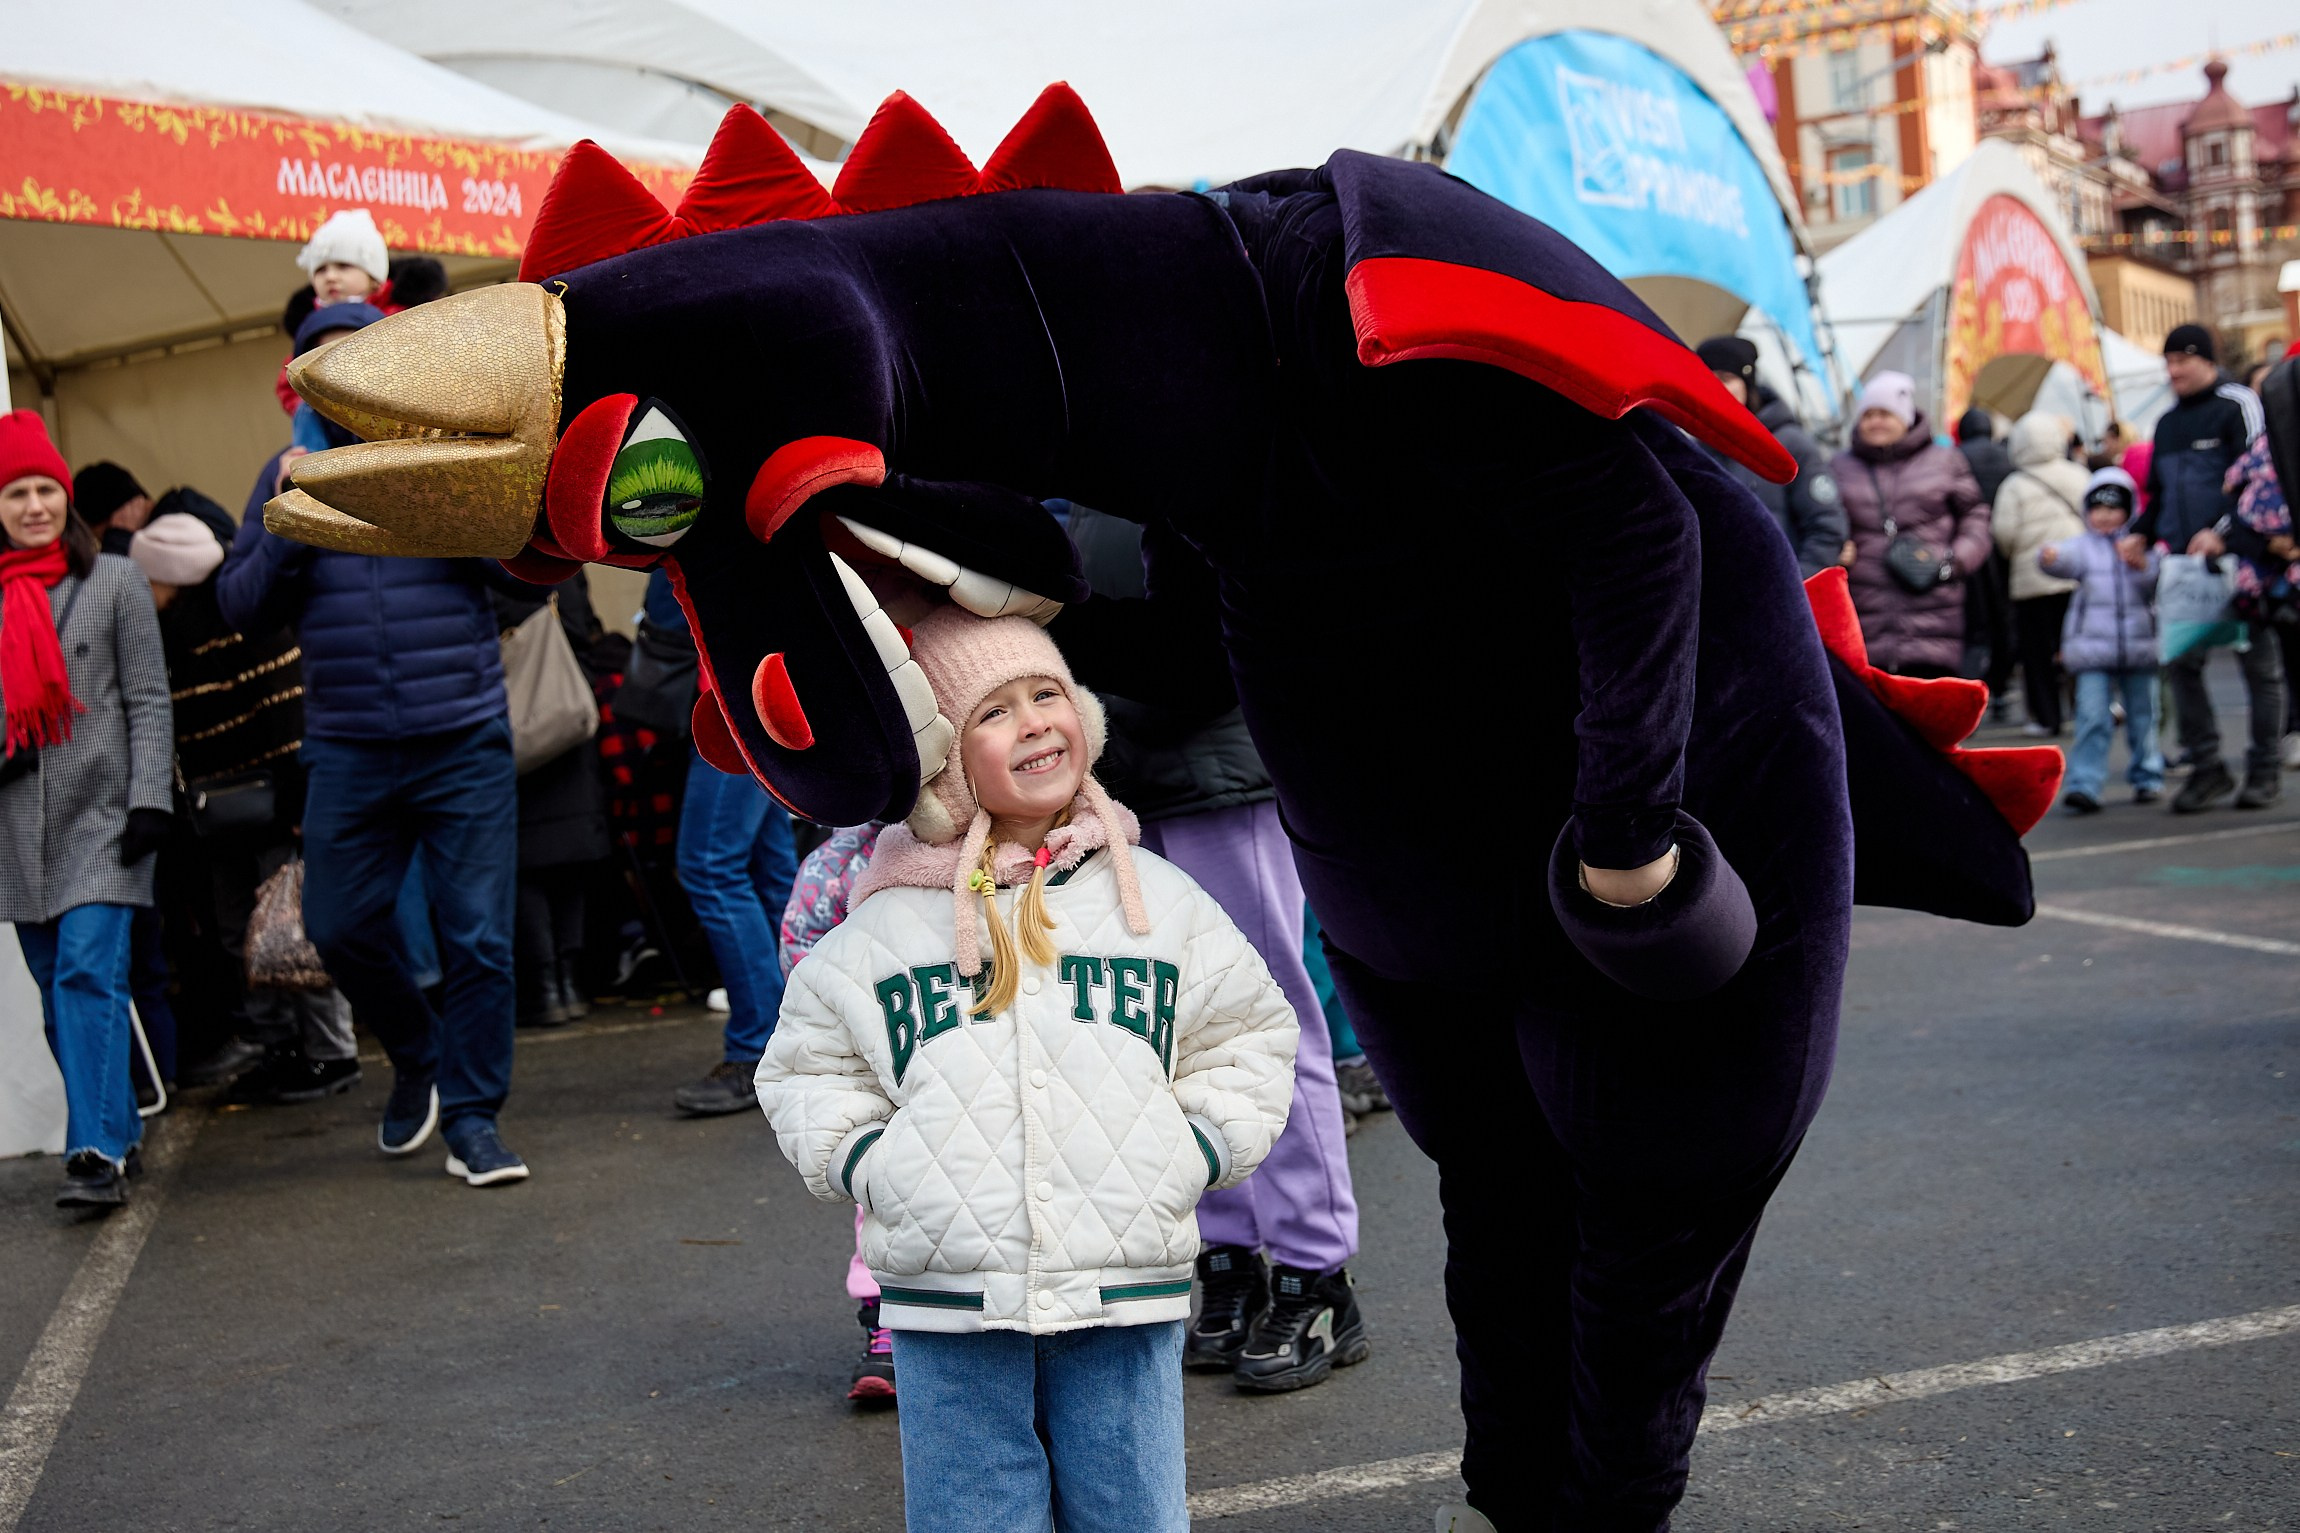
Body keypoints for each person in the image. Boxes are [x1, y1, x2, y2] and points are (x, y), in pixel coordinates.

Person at [756, 608, 1297, 1533]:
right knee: (974, 1516)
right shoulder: (886, 921)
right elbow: (806, 1063)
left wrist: (1192, 1147)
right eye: (995, 711)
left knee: (1132, 1512)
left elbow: (1248, 1034)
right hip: (947, 1294)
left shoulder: (1159, 901)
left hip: (1122, 1282)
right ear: (943, 756)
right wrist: (874, 1163)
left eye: (1049, 693)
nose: (1037, 720)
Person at [219, 302, 536, 1187]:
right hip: (349, 749)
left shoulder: (443, 452)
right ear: (303, 383)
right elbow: (241, 608)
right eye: (320, 365)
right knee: (337, 924)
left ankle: (473, 1121)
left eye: (355, 359)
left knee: (477, 939)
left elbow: (527, 578)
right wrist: (291, 509)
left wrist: (448, 504)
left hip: (463, 740)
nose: (341, 377)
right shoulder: (283, 475)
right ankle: (418, 1049)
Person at [1063, 500, 1366, 1391]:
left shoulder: (1182, 468)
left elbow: (1196, 656)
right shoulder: (1080, 487)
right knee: (1164, 1040)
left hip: (1219, 779)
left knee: (1266, 1029)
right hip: (1123, 792)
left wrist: (1051, 615)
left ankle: (1316, 1271)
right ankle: (1228, 1257)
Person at [126, 505, 359, 1102]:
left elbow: (287, 711)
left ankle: (332, 1056)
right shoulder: (172, 640)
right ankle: (280, 1047)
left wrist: (297, 803)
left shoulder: (244, 618)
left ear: (168, 578)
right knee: (244, 933)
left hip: (274, 803)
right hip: (221, 812)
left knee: (289, 929)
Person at [0, 411, 173, 1210]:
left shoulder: (114, 578)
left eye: (44, 490)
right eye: (15, 493)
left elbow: (146, 695)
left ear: (65, 500)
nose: (32, 505)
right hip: (15, 828)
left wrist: (149, 801)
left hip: (103, 817)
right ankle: (119, 1127)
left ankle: (96, 1150)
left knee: (86, 973)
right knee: (51, 986)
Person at [2124, 324, 2277, 811]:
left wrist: (2224, 532)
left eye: (2183, 360)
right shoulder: (2167, 424)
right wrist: (2141, 533)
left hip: (2243, 561)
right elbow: (2160, 494)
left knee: (2259, 666)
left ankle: (2264, 769)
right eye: (2168, 362)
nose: (2174, 371)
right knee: (2181, 662)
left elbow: (2259, 481)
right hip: (2185, 570)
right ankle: (2207, 767)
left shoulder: (2237, 405)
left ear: (2207, 360)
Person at [775, 820, 897, 1401]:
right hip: (875, 1055)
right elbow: (803, 954)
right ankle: (886, 1328)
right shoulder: (839, 863)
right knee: (882, 1188)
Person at [669, 568, 799, 1113]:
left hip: (740, 688)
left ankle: (757, 1048)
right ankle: (800, 1039)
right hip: (761, 681)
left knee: (709, 865)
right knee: (770, 871)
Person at [492, 575, 611, 1026]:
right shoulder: (561, 560)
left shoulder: (482, 556)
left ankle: (543, 986)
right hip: (569, 720)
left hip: (517, 731)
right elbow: (585, 635)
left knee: (527, 864)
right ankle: (570, 981)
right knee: (569, 864)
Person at [1833, 372, 1992, 677]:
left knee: (1930, 711)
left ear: (1905, 417)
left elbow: (1976, 517)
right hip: (1864, 615)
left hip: (1934, 613)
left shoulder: (1945, 460)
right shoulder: (1840, 466)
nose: (1876, 422)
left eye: (1885, 413)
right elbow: (1825, 522)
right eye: (1868, 415)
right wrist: (1837, 551)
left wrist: (1954, 560)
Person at [2039, 469, 2163, 812]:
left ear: (2130, 510)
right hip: (2091, 650)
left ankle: (2148, 775)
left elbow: (2156, 581)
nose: (2105, 516)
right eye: (2097, 509)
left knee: (2144, 715)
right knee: (2092, 717)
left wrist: (2144, 564)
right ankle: (2085, 784)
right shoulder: (2082, 547)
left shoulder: (2143, 546)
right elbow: (2061, 559)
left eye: (2113, 508)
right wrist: (2048, 555)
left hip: (2139, 647)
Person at [1691, 337, 1846, 578]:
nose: (1716, 387)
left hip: (1777, 598)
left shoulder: (1790, 444)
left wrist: (1796, 587)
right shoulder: (1694, 449)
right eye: (1707, 378)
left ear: (1747, 383)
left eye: (1726, 378)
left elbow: (1827, 526)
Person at [1990, 411, 2088, 736]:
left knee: (2037, 653)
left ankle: (2047, 717)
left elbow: (2003, 533)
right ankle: (2087, 709)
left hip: (2031, 581)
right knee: (2080, 646)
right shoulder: (2078, 475)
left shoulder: (2014, 485)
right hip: (2077, 575)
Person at [1954, 408, 2020, 712]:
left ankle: (1975, 686)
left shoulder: (1955, 457)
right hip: (2006, 548)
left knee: (1974, 621)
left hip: (1969, 547)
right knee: (2005, 616)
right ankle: (2002, 684)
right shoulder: (2007, 456)